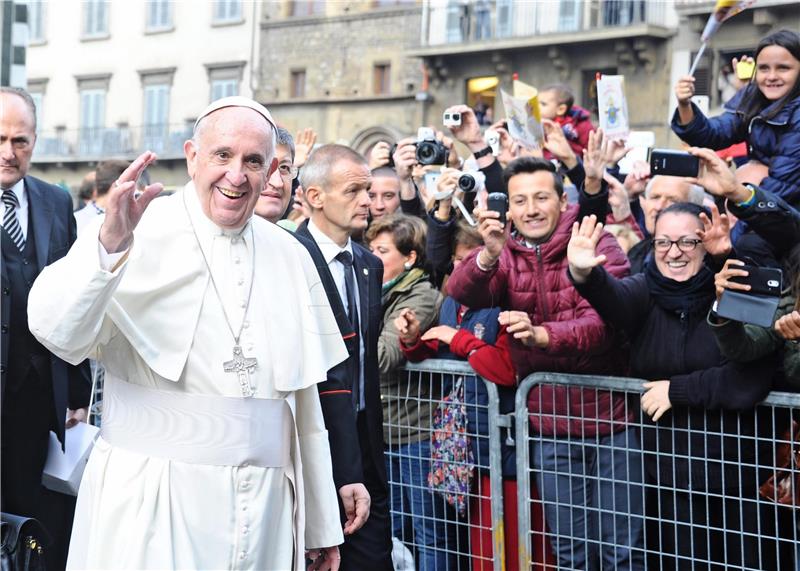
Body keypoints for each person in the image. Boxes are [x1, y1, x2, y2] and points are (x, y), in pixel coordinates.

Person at [28, 97, 347, 570]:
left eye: (253, 161)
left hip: (266, 514)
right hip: (152, 501)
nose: (236, 176)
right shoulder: (132, 229)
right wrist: (107, 247)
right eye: (222, 155)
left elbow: (304, 407)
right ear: (193, 155)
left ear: (273, 169)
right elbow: (56, 331)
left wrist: (319, 525)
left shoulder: (290, 254)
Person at [446, 156, 643, 570]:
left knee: (620, 552)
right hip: (550, 425)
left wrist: (542, 335)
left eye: (540, 197)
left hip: (611, 422)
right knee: (569, 551)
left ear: (561, 199)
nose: (530, 209)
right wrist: (487, 256)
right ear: (509, 208)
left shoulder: (593, 239)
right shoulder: (507, 250)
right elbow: (462, 290)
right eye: (520, 201)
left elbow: (607, 324)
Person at [567, 202, 780, 570]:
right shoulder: (643, 291)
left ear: (705, 244)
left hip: (741, 479)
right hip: (671, 479)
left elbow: (751, 376)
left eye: (686, 241)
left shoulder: (735, 286)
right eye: (663, 242)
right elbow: (613, 300)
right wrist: (585, 275)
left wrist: (675, 390)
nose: (674, 252)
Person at [0, 87, 92, 571]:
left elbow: (78, 299)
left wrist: (77, 390)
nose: (7, 153)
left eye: (20, 141)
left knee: (31, 520)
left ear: (35, 141)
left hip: (41, 399)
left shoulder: (56, 202)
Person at [294, 144, 395, 570]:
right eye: (354, 191)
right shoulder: (288, 257)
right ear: (315, 196)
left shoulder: (369, 264)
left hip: (366, 447)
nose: (368, 202)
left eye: (369, 191)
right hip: (309, 445)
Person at [365, 213, 452, 569]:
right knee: (393, 530)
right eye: (370, 248)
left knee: (430, 532)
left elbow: (384, 356)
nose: (371, 256)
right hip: (384, 431)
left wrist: (352, 315)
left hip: (418, 433)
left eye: (382, 250)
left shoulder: (421, 295)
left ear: (410, 257)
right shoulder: (376, 289)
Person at [673, 29, 800, 207]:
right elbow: (711, 135)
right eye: (764, 68)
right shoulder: (752, 96)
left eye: (783, 68)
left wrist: (734, 231)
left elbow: (781, 188)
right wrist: (684, 104)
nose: (771, 76)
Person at [626, 175, 706, 273]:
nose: (659, 206)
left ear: (695, 209)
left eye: (673, 200)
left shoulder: (710, 264)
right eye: (655, 197)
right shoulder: (635, 254)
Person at [253, 126, 297, 227]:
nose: (278, 183)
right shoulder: (211, 241)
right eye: (267, 166)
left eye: (284, 167)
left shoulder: (297, 242)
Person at [538, 83, 595, 158]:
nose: (537, 107)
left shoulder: (580, 125)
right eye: (536, 103)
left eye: (543, 104)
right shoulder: (537, 124)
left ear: (560, 109)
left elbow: (589, 153)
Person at [74, 160, 128, 235]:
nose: (136, 193)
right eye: (131, 187)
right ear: (116, 188)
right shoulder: (77, 222)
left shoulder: (76, 220)